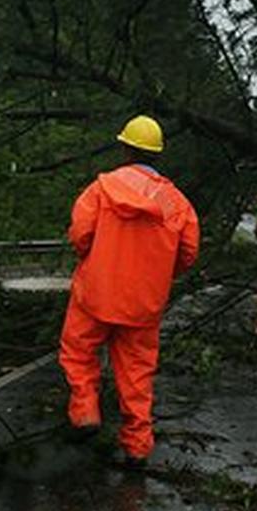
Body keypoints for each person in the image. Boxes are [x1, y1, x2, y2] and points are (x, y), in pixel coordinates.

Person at [58, 115, 200, 468]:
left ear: (124, 148)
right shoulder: (174, 202)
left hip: (96, 293)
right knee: (137, 375)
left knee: (78, 352)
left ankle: (85, 412)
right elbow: (187, 253)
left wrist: (96, 259)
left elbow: (80, 235)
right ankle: (137, 446)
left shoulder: (102, 188)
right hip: (144, 304)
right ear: (157, 155)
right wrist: (157, 274)